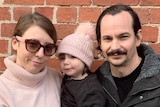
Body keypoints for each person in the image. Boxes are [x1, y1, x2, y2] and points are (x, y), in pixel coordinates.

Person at [95, 4, 160, 107]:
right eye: (107, 38)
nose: (115, 47)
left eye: (123, 37)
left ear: (138, 38)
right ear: (100, 43)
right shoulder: (94, 84)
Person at [0, 12, 62, 107]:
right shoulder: (3, 89)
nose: (40, 54)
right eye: (32, 44)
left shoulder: (56, 78)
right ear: (15, 43)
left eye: (48, 47)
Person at [57, 22, 107, 107]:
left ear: (85, 60)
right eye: (62, 58)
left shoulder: (90, 89)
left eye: (73, 57)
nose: (65, 62)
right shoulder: (69, 78)